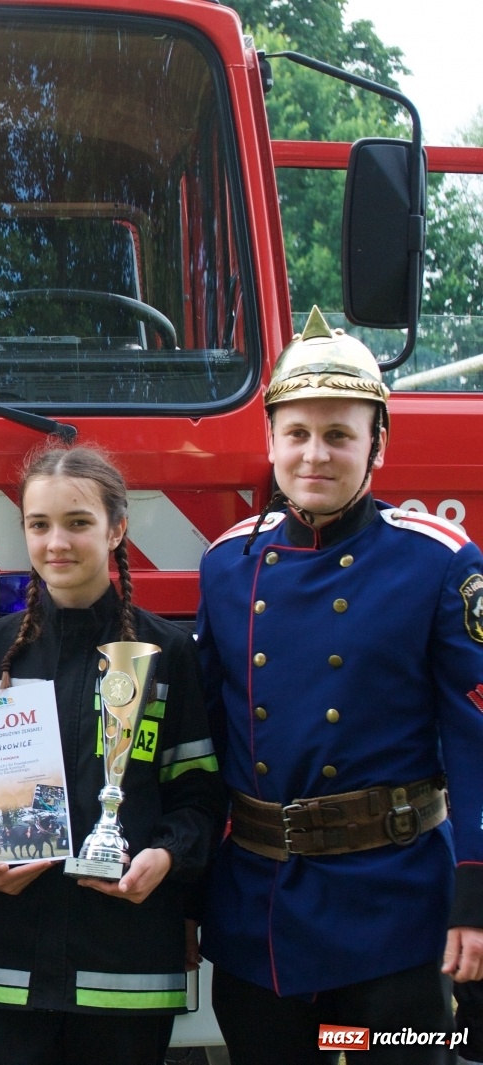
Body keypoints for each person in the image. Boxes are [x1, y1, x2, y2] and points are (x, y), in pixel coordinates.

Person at [197, 307, 483, 1063]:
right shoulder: (227, 565)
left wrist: (476, 900)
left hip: (391, 912)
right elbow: (203, 740)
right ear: (270, 440)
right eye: (296, 434)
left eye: (338, 435)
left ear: (377, 444)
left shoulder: (438, 561)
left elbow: (477, 739)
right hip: (260, 917)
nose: (314, 455)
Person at [0, 444, 222, 1065]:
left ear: (117, 528)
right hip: (8, 967)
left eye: (78, 523)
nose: (56, 543)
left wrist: (165, 857)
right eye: (39, 525)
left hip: (127, 966)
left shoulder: (168, 653)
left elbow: (200, 797)